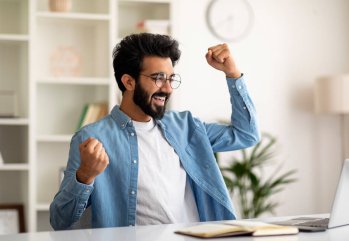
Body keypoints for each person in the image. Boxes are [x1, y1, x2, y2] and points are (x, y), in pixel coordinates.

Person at [50, 33, 260, 230]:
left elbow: (246, 134)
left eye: (170, 79)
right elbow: (60, 220)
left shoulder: (186, 127)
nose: (168, 88)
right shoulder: (92, 139)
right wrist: (84, 176)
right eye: (158, 78)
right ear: (129, 81)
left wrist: (232, 74)